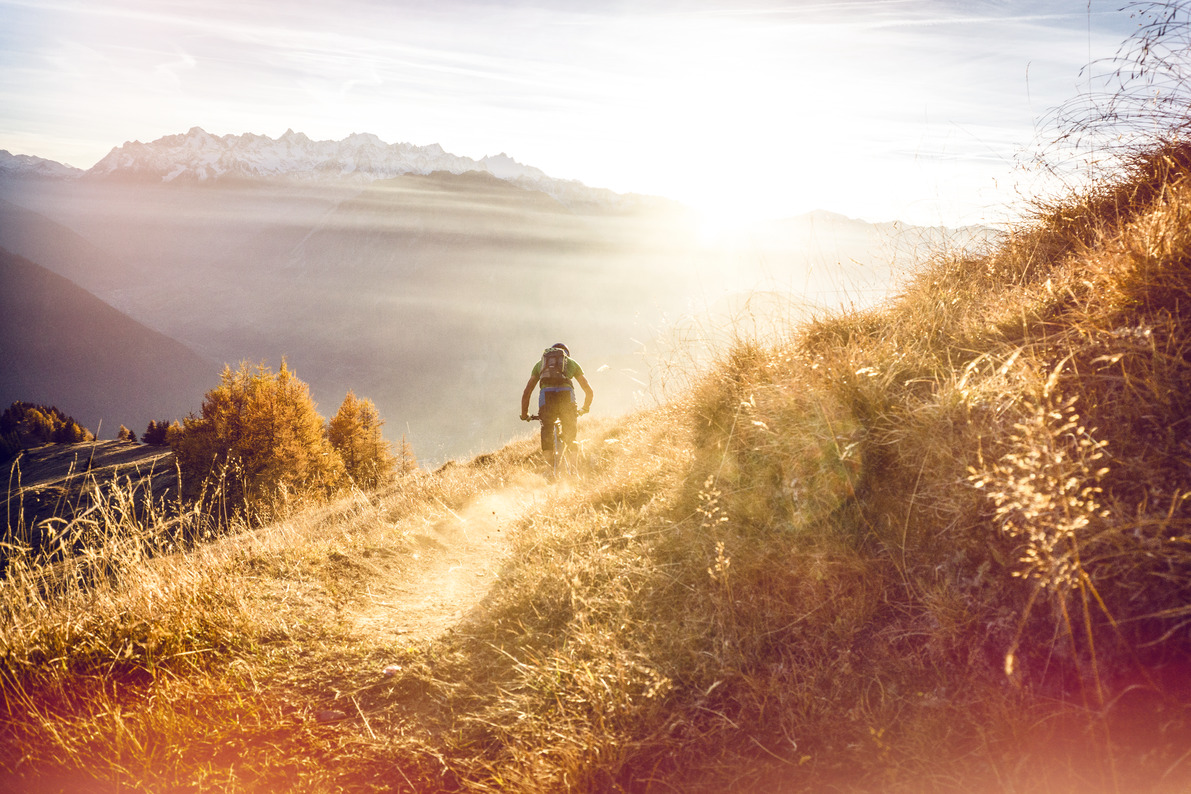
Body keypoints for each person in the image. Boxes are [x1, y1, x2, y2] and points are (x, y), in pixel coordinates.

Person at [520, 342, 594, 456]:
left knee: (547, 431)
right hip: (566, 395)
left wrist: (524, 414)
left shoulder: (540, 365)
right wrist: (585, 408)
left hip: (547, 396)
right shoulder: (572, 363)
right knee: (570, 435)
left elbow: (527, 392)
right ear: (566, 355)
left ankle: (550, 470)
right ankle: (574, 468)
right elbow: (588, 390)